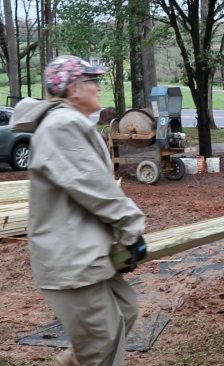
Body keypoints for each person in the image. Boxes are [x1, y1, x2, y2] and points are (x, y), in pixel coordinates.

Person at [10, 55, 147, 366]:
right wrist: (130, 228)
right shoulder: (62, 126)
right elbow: (93, 188)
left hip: (88, 251)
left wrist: (121, 238)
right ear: (73, 89)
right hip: (70, 256)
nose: (99, 88)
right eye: (92, 81)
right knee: (102, 338)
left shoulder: (69, 123)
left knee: (124, 312)